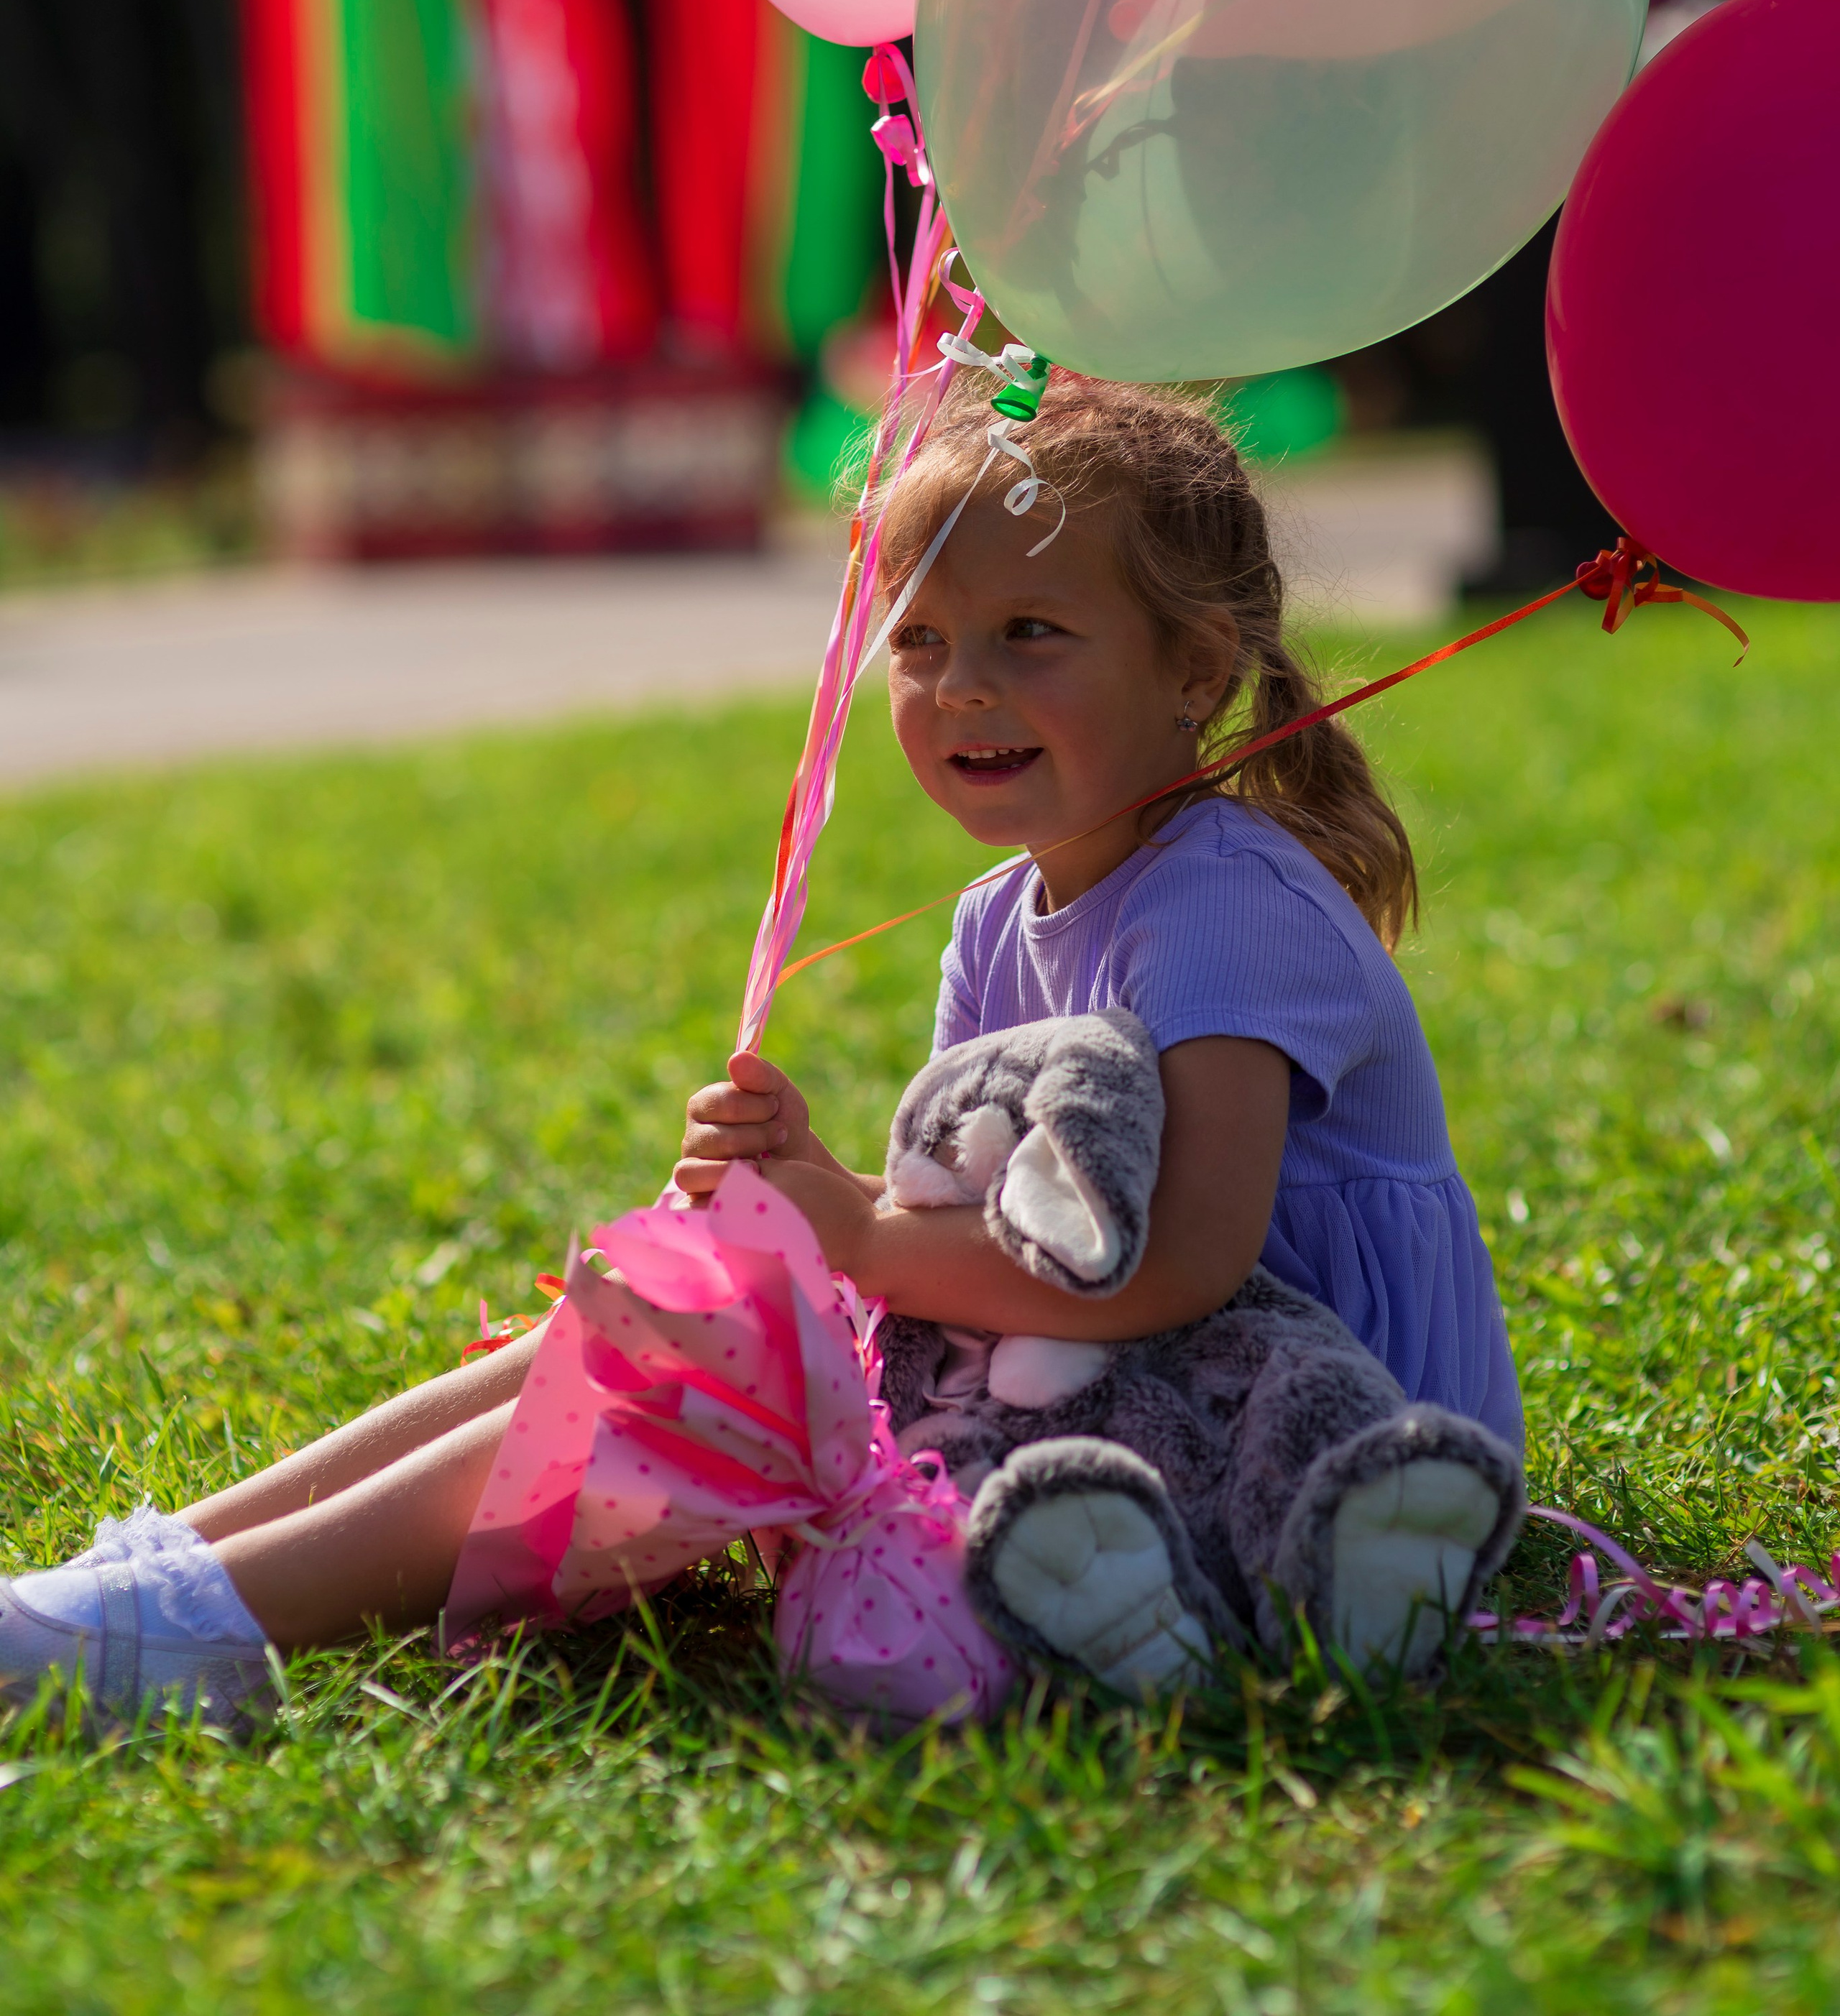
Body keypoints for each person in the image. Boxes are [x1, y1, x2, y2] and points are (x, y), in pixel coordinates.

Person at [0, 379, 1519, 1727]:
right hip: (1097, 1381)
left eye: (1026, 635)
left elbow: (1179, 1264)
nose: (960, 687)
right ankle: (164, 1569)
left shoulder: (1220, 908)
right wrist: (811, 1188)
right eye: (916, 642)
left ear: (1193, 670)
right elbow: (974, 1215)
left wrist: (844, 1229)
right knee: (652, 1317)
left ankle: (187, 1632)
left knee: (689, 1357)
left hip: (1292, 1444)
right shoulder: (1001, 911)